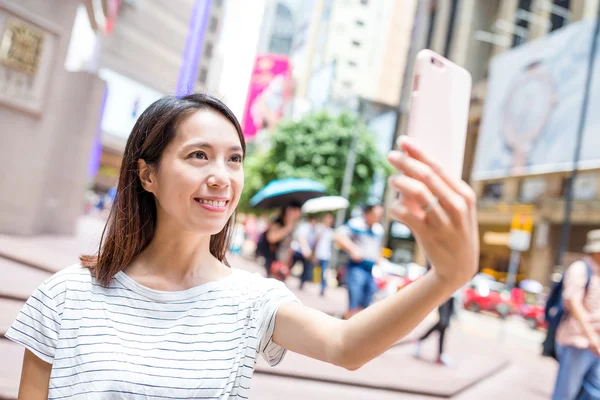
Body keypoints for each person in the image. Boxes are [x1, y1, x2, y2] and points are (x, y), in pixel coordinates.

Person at [6, 94, 479, 399]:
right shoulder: (66, 297)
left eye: (234, 159)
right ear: (147, 174)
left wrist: (447, 276)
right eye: (198, 155)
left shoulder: (251, 301)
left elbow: (346, 346)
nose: (221, 176)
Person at [552, 229, 600, 400]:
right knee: (566, 392)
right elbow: (574, 303)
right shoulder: (580, 269)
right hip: (578, 342)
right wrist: (592, 337)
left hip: (596, 345)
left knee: (595, 392)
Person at [334, 205, 385, 319]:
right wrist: (352, 249)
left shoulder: (378, 229)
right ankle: (346, 321)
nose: (378, 217)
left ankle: (355, 322)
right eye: (376, 214)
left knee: (368, 295)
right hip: (357, 266)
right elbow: (338, 236)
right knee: (355, 296)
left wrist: (379, 257)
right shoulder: (356, 224)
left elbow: (377, 247)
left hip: (370, 268)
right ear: (367, 213)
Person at [260, 203, 301, 277]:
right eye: (295, 211)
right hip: (273, 261)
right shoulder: (278, 222)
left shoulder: (294, 226)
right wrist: (288, 227)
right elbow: (271, 238)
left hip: (284, 263)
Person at [414, 295, 455, 366]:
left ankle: (421, 340)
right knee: (441, 327)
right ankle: (440, 354)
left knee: (441, 329)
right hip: (448, 293)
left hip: (451, 295)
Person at [291, 215, 319, 289]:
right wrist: (305, 251)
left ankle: (302, 283)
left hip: (307, 252)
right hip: (298, 250)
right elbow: (302, 239)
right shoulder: (305, 227)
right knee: (291, 264)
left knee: (306, 268)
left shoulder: (315, 230)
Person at [315, 213, 335, 296]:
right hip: (317, 253)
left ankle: (323, 289)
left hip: (326, 255)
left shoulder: (331, 231)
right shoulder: (319, 228)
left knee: (324, 273)